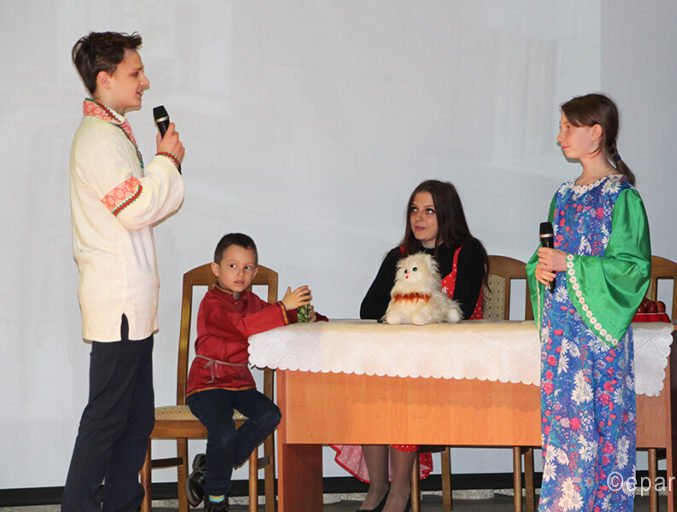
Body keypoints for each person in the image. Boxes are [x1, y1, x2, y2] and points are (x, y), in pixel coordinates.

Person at [63, 31, 185, 511]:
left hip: (131, 304)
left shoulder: (112, 132)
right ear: (105, 78)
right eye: (136, 73)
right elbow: (135, 209)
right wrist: (166, 162)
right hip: (118, 302)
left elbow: (145, 205)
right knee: (107, 420)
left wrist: (164, 167)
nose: (145, 81)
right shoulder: (98, 138)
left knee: (134, 421)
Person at [526, 93, 651, 511]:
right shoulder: (563, 195)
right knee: (565, 433)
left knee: (600, 431)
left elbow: (632, 269)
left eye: (568, 127)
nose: (559, 136)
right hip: (562, 339)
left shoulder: (622, 197)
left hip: (598, 339)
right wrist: (540, 268)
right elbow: (547, 256)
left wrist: (571, 264)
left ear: (595, 132)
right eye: (561, 127)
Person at [332, 180, 488, 512]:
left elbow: (461, 308)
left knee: (400, 392)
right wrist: (402, 308)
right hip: (403, 361)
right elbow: (369, 308)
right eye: (414, 210)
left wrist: (416, 306)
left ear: (447, 214)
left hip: (453, 363)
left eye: (429, 211)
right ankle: (378, 488)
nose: (419, 218)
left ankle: (400, 491)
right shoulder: (401, 256)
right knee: (369, 387)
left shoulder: (468, 252)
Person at [185, 233, 327, 511]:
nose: (241, 273)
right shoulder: (211, 302)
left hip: (239, 383)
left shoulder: (252, 301)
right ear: (216, 269)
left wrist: (306, 316)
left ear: (255, 271)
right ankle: (216, 500)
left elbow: (274, 318)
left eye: (247, 267)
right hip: (207, 384)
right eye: (233, 266)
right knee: (223, 431)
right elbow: (244, 326)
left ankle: (209, 468)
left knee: (270, 415)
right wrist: (282, 308)